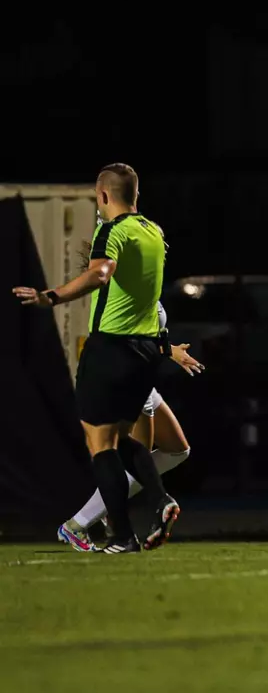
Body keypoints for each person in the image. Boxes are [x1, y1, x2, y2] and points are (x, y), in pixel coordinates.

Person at [12, 164, 177, 554]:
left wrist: (48, 297)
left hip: (112, 347)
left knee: (100, 444)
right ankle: (160, 500)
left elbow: (101, 274)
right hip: (146, 351)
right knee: (120, 440)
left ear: (103, 196)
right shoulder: (154, 232)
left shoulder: (112, 230)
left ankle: (122, 535)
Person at [56, 301, 203, 551]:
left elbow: (148, 332)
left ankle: (109, 510)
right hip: (127, 376)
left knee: (178, 450)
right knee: (132, 462)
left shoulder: (145, 280)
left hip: (143, 375)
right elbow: (124, 337)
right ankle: (78, 524)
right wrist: (167, 351)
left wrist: (168, 348)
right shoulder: (120, 286)